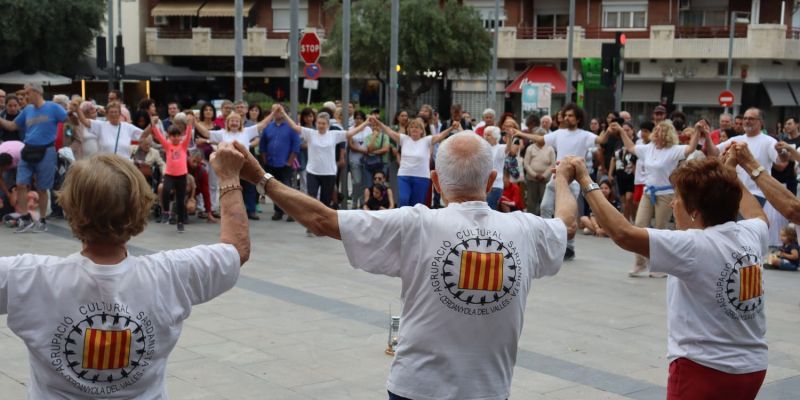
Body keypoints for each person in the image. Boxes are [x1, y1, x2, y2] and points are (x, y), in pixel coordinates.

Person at [228, 131, 577, 400]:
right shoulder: (526, 230)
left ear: (436, 182)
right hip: (488, 389)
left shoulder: (415, 224)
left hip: (416, 387)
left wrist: (261, 178)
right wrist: (564, 179)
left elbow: (321, 220)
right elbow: (566, 225)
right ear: (490, 182)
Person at [0, 144, 250, 398]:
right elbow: (236, 249)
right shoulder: (171, 274)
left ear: (70, 208)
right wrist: (229, 177)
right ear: (140, 207)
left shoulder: (28, 276)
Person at [570, 155, 768, 400]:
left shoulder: (693, 245)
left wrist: (584, 178)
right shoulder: (752, 232)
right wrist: (727, 176)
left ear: (694, 212)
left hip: (704, 369)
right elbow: (758, 214)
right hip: (753, 367)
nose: (673, 204)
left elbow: (623, 233)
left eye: (678, 199)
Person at [513, 103, 612, 260]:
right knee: (545, 207)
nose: (566, 118)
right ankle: (546, 241)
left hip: (573, 180)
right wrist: (521, 134)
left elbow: (601, 140)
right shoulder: (559, 133)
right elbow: (540, 138)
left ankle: (569, 247)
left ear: (578, 119)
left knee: (570, 215)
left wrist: (608, 129)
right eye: (565, 115)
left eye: (570, 115)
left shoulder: (584, 135)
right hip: (556, 177)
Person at [618, 120, 701, 277]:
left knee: (660, 230)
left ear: (667, 135)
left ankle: (660, 266)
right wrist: (622, 132)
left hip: (666, 194)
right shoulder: (648, 149)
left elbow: (691, 148)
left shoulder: (674, 150)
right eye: (656, 132)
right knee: (639, 224)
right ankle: (640, 262)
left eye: (660, 132)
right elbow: (631, 147)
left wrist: (696, 131)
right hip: (648, 192)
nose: (657, 134)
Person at [0, 83, 68, 233]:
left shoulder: (53, 107)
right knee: (21, 184)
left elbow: (68, 120)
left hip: (46, 150)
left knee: (43, 188)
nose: (24, 97)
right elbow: (12, 126)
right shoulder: (27, 110)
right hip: (28, 149)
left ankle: (42, 220)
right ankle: (25, 218)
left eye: (27, 93)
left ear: (36, 92)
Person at [194, 104, 273, 220]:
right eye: (232, 121)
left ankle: (250, 211)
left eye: (237, 121)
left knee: (249, 189)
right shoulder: (222, 133)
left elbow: (262, 125)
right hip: (229, 167)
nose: (234, 123)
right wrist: (194, 123)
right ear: (228, 122)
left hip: (245, 165)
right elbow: (206, 133)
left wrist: (272, 114)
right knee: (230, 189)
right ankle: (230, 211)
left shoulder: (247, 131)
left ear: (240, 123)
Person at [280, 107, 364, 213]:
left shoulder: (334, 135)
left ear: (328, 125)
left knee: (325, 201)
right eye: (319, 123)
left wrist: (365, 123)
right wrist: (283, 113)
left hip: (328, 173)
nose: (321, 125)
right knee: (312, 199)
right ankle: (311, 222)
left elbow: (351, 133)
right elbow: (294, 127)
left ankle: (322, 224)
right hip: (313, 172)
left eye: (323, 123)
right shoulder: (311, 133)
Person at [374, 117, 459, 207]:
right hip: (404, 175)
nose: (414, 129)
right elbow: (389, 131)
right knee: (404, 199)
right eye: (412, 127)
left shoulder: (427, 140)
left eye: (417, 127)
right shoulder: (403, 139)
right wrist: (378, 122)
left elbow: (440, 135)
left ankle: (414, 221)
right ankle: (403, 220)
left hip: (421, 177)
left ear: (421, 131)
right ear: (409, 130)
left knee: (416, 205)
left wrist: (452, 128)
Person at [708, 108, 777, 206]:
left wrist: (783, 153)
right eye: (745, 118)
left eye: (751, 118)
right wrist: (706, 135)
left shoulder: (769, 141)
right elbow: (713, 152)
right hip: (735, 193)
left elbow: (780, 162)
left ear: (760, 122)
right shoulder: (737, 139)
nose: (747, 121)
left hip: (757, 194)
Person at [259, 104, 300, 221]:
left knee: (287, 189)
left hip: (285, 164)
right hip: (271, 163)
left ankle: (291, 212)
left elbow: (295, 146)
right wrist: (265, 159)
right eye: (275, 111)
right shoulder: (268, 127)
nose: (277, 114)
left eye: (279, 111)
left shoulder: (291, 127)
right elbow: (263, 145)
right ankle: (278, 211)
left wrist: (289, 161)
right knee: (273, 189)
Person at [150, 118, 193, 232]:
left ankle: (180, 222)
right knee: (165, 189)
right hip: (170, 175)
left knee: (180, 199)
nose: (175, 138)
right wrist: (154, 126)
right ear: (169, 137)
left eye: (177, 136)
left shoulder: (183, 145)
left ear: (180, 136)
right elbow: (159, 136)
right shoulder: (168, 146)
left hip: (182, 176)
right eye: (173, 136)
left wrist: (189, 125)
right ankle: (165, 211)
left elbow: (188, 136)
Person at [75, 101, 152, 158]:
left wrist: (151, 125)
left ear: (119, 113)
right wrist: (77, 109)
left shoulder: (127, 127)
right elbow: (84, 121)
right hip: (105, 166)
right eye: (111, 112)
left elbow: (143, 135)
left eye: (116, 112)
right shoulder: (101, 125)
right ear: (107, 113)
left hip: (124, 165)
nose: (113, 114)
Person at [609, 122, 638, 222]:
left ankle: (630, 220)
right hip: (620, 174)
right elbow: (613, 158)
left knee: (630, 198)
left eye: (627, 130)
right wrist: (610, 173)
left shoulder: (636, 142)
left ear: (632, 130)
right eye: (623, 129)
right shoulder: (618, 142)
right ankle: (627, 220)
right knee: (624, 201)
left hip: (631, 174)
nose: (625, 132)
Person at [523, 127, 554, 216]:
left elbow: (553, 164)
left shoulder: (550, 148)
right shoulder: (530, 148)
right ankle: (531, 219)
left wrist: (544, 175)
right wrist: (535, 175)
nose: (540, 138)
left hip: (545, 179)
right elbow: (526, 164)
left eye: (542, 136)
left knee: (545, 201)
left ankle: (544, 220)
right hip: (532, 179)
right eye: (538, 136)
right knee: (531, 201)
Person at [484, 126, 514, 210]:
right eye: (485, 134)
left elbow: (507, 149)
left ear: (495, 137)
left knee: (490, 209)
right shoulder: (483, 148)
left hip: (495, 185)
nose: (485, 136)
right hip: (483, 186)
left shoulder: (500, 148)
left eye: (488, 135)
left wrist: (510, 138)